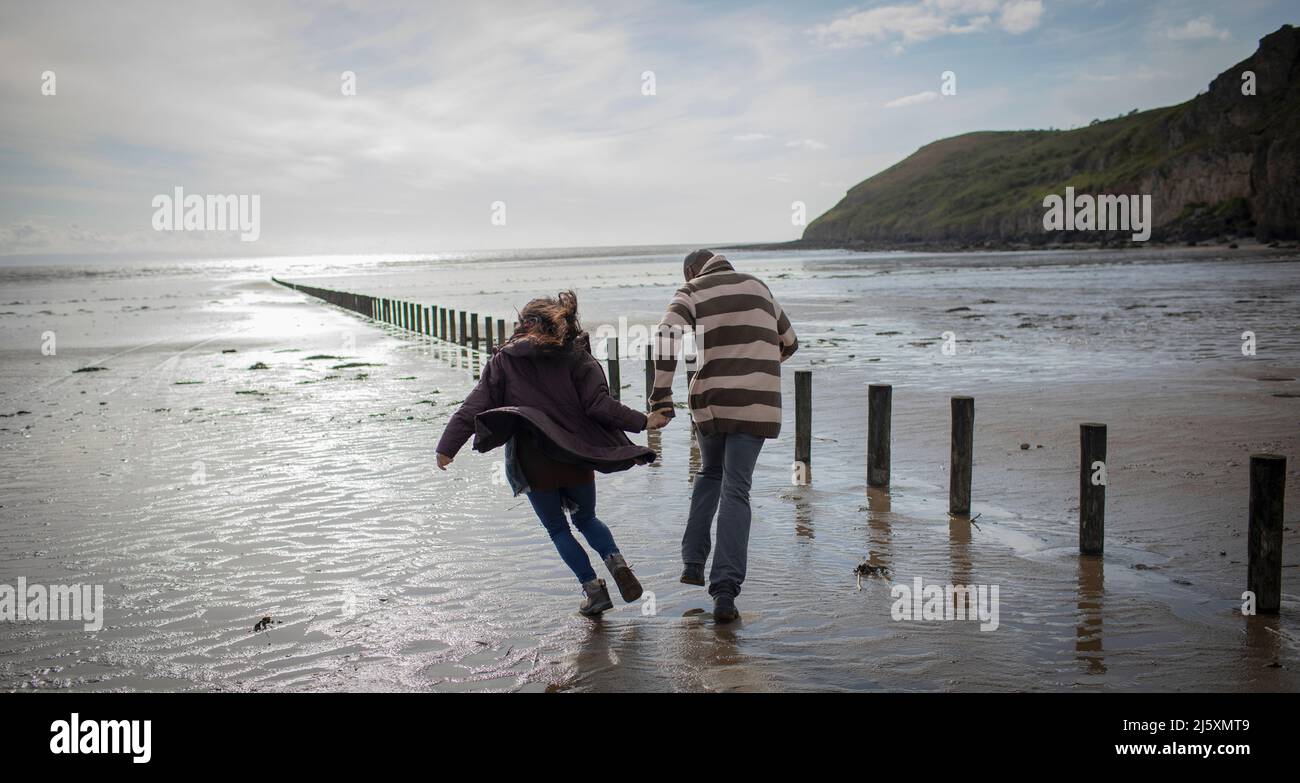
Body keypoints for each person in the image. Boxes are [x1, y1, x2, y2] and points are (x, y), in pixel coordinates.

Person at [435, 291, 670, 617]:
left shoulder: (504, 360)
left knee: (558, 529)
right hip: (576, 453)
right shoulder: (576, 356)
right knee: (586, 518)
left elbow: (473, 407)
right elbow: (601, 405)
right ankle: (617, 562)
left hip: (534, 462)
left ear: (522, 324)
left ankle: (593, 591)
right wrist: (643, 421)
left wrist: (447, 447)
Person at [648, 250, 798, 623]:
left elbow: (667, 335)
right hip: (757, 406)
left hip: (713, 403)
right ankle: (725, 593)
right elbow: (790, 342)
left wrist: (661, 396)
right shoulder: (760, 287)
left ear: (689, 271)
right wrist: (755, 367)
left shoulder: (692, 289)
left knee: (710, 473)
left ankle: (693, 562)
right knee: (737, 488)